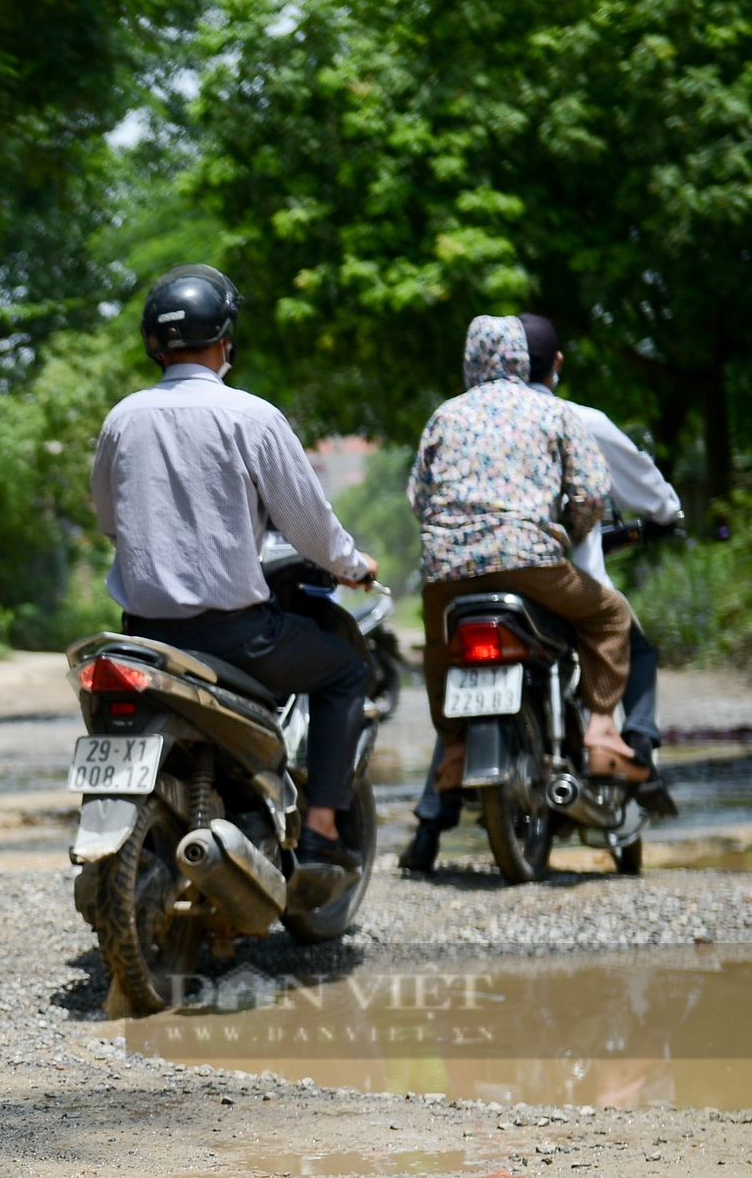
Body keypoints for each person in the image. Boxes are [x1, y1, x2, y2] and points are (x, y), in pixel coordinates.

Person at [90, 264, 379, 886]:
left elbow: (111, 521)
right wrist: (353, 567)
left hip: (145, 639)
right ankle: (325, 828)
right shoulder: (251, 416)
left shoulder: (122, 419)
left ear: (152, 343)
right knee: (346, 671)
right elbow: (310, 527)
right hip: (237, 640)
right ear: (226, 340)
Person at [401, 314, 680, 870]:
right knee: (609, 619)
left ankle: (454, 750)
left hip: (448, 571)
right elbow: (593, 492)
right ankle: (602, 731)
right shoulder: (555, 412)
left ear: (469, 360)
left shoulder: (444, 414)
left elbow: (418, 496)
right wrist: (570, 532)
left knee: (440, 649)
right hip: (531, 562)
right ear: (525, 361)